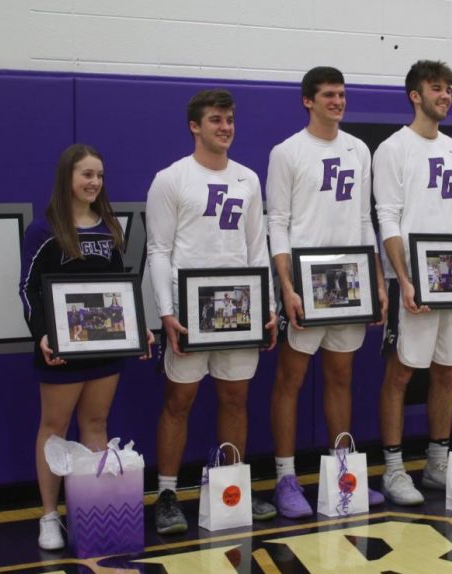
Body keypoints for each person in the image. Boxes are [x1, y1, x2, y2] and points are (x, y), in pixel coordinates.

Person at [146, 88, 278, 535]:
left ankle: (231, 484)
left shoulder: (249, 179)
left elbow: (257, 248)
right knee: (178, 401)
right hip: (189, 312)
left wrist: (269, 306)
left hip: (239, 308)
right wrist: (166, 312)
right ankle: (166, 493)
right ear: (195, 127)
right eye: (216, 120)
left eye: (230, 120)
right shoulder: (172, 178)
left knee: (236, 397)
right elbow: (158, 250)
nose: (225, 128)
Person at [265, 66, 388, 518]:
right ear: (308, 101)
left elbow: (362, 220)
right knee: (291, 380)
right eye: (329, 95)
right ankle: (285, 477)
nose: (337, 101)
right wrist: (286, 285)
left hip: (350, 281)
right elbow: (277, 222)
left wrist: (376, 279)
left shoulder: (359, 149)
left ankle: (343, 474)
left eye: (341, 94)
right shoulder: (288, 152)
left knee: (341, 376)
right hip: (304, 284)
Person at [20, 143, 153, 551]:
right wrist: (43, 335)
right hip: (60, 350)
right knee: (54, 431)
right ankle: (48, 516)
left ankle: (93, 509)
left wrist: (139, 327)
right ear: (68, 178)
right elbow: (27, 290)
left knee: (96, 426)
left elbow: (120, 291)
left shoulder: (108, 227)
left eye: (99, 175)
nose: (94, 182)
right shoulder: (44, 231)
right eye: (86, 175)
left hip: (106, 349)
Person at [373, 60, 452, 505]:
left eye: (449, 89)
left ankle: (437, 462)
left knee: (447, 370)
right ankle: (395, 469)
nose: (445, 96)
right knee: (402, 371)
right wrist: (404, 278)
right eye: (436, 89)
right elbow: (387, 217)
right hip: (415, 280)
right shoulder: (393, 149)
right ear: (415, 96)